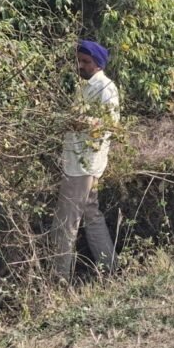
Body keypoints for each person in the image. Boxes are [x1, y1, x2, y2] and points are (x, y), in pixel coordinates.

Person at [50, 39, 121, 281]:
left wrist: (77, 121)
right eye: (79, 61)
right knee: (91, 215)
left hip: (84, 167)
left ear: (98, 64)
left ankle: (59, 279)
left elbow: (110, 126)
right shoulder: (85, 86)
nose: (81, 65)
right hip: (78, 162)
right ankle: (111, 268)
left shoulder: (106, 88)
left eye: (86, 62)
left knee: (66, 221)